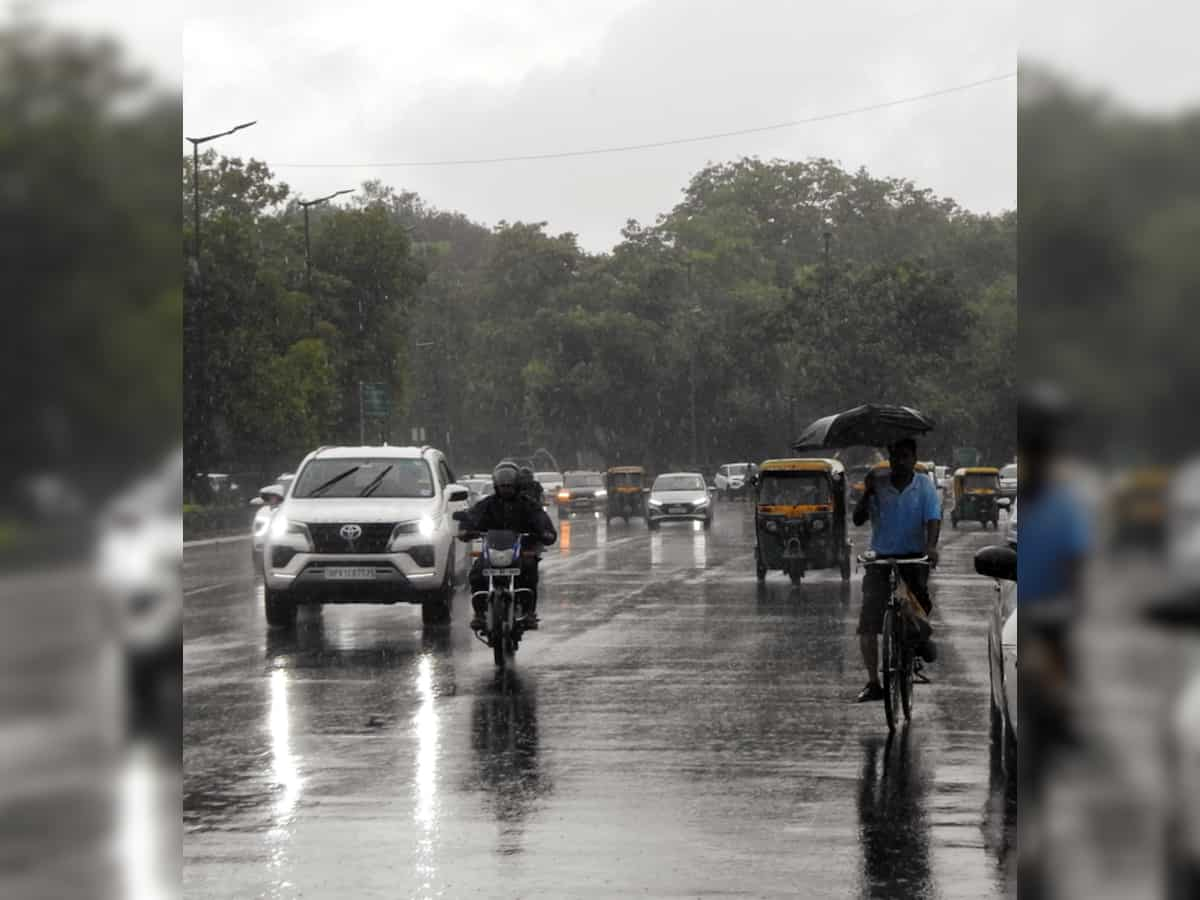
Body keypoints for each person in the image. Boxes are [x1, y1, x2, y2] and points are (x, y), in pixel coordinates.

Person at [851, 437, 941, 703]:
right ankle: (873, 682)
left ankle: (915, 647)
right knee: (868, 622)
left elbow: (933, 518)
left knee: (918, 609)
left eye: (905, 456)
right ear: (889, 460)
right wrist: (867, 491)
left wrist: (932, 547)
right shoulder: (877, 485)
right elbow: (857, 520)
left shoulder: (924, 485)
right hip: (881, 558)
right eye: (895, 457)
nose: (900, 462)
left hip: (913, 558)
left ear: (914, 459)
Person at [458, 462, 557, 632]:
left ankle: (529, 612)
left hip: (520, 551)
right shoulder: (487, 504)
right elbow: (472, 516)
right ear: (496, 484)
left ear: (517, 484)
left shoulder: (527, 504)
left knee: (530, 568)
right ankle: (479, 613)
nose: (506, 489)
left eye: (509, 485)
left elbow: (540, 519)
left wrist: (545, 532)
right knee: (476, 572)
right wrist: (465, 529)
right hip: (493, 550)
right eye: (502, 485)